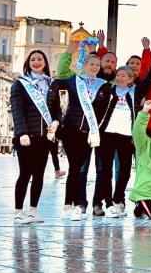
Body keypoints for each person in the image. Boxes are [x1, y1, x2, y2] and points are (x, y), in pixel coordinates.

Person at [95, 60, 151, 217]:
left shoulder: (136, 92)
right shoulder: (107, 89)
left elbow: (149, 80)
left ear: (131, 79)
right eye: (118, 75)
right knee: (105, 171)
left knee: (125, 171)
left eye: (124, 76)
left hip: (127, 137)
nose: (120, 78)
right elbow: (96, 108)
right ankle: (108, 204)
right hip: (107, 135)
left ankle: (118, 200)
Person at [48, 49, 107, 221]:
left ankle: (71, 204)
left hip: (89, 133)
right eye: (91, 64)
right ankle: (72, 204)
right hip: (71, 129)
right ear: (84, 65)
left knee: (76, 168)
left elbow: (103, 111)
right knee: (75, 167)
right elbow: (57, 83)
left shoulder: (103, 85)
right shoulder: (75, 80)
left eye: (97, 64)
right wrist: (55, 113)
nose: (95, 67)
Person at [10, 50, 58, 224]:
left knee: (39, 174)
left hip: (44, 137)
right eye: (33, 60)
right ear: (28, 63)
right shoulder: (21, 84)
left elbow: (56, 109)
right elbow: (17, 109)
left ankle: (33, 211)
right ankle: (18, 211)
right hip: (26, 137)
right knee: (25, 173)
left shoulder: (51, 84)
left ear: (45, 62)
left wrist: (56, 122)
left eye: (39, 59)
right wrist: (21, 132)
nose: (36, 62)